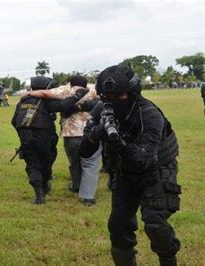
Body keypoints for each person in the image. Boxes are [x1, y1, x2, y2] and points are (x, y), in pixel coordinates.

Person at [80, 65, 181, 266]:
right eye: (107, 97)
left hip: (156, 168)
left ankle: (168, 258)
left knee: (155, 223)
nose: (114, 101)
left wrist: (119, 143)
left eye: (120, 96)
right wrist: (97, 133)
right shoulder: (101, 110)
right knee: (118, 226)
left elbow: (143, 159)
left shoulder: (150, 114)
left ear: (134, 93)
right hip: (125, 170)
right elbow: (84, 152)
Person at [11, 76, 89, 205]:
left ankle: (39, 195)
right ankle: (44, 185)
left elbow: (14, 121)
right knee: (46, 161)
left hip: (25, 137)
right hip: (44, 136)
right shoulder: (46, 100)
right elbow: (64, 106)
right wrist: (76, 96)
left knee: (32, 165)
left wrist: (23, 134)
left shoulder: (22, 102)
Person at [27, 75, 102, 206]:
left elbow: (44, 93)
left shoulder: (65, 91)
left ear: (70, 84)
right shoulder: (92, 90)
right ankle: (88, 196)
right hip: (91, 133)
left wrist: (27, 94)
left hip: (71, 134)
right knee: (90, 165)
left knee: (74, 162)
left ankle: (76, 186)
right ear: (85, 84)